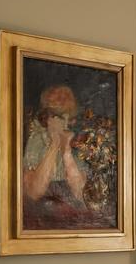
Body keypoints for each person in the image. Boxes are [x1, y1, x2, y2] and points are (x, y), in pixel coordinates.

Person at [22, 83, 89, 216]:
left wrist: (66, 153)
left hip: (72, 214)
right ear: (47, 118)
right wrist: (54, 145)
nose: (63, 122)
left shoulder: (77, 143)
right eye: (56, 116)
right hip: (41, 213)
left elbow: (80, 193)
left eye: (66, 117)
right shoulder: (37, 139)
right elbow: (34, 192)